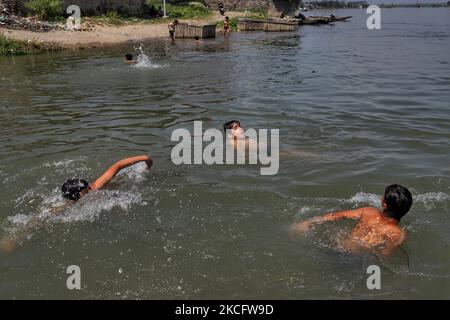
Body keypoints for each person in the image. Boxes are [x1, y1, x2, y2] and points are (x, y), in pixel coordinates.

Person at [0, 155, 153, 252]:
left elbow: (118, 165)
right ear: (80, 194)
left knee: (126, 179)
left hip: (121, 184)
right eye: (87, 188)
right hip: (114, 191)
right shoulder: (67, 206)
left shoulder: (96, 186)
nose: (90, 187)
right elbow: (37, 219)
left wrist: (144, 158)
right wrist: (14, 238)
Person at [290, 184, 413, 256]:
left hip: (336, 246)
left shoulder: (369, 212)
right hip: (356, 258)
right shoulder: (398, 233)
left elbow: (335, 215)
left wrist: (308, 222)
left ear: (384, 204)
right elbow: (385, 254)